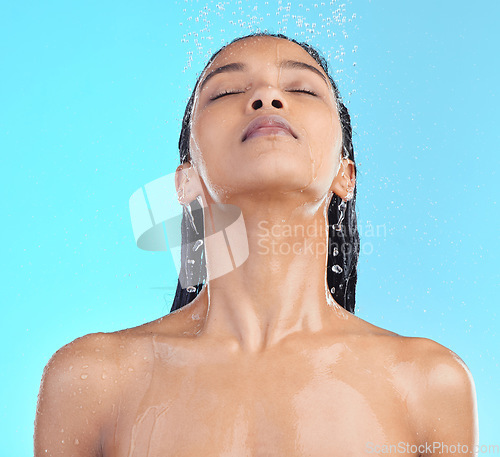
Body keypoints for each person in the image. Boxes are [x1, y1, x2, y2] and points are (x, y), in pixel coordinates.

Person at [34, 33, 478, 456]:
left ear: (347, 174)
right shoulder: (91, 382)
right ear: (185, 180)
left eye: (302, 88)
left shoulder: (429, 384)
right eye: (226, 92)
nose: (266, 98)